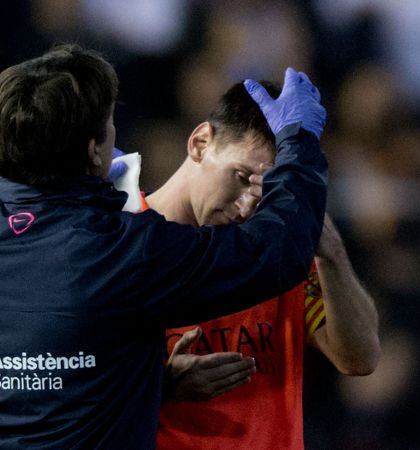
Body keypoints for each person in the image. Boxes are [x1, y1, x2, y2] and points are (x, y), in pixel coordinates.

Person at [0, 44, 328, 448]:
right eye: (110, 125)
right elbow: (276, 251)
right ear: (94, 152)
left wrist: (150, 383)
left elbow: (36, 353)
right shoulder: (124, 252)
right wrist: (298, 142)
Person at [145, 81, 380, 449]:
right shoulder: (122, 244)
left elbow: (360, 358)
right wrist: (160, 387)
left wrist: (329, 249)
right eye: (240, 178)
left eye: (263, 193)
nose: (245, 207)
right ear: (201, 143)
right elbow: (71, 387)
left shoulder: (279, 247)